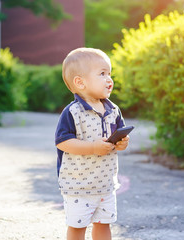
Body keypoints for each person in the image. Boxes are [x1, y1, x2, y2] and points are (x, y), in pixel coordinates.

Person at [55, 47, 130, 240]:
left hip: (105, 183)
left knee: (104, 224)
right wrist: (93, 148)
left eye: (110, 74)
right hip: (78, 184)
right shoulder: (73, 112)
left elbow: (118, 138)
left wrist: (121, 143)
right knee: (77, 227)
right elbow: (63, 142)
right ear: (80, 82)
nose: (109, 79)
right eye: (102, 74)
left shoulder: (113, 110)